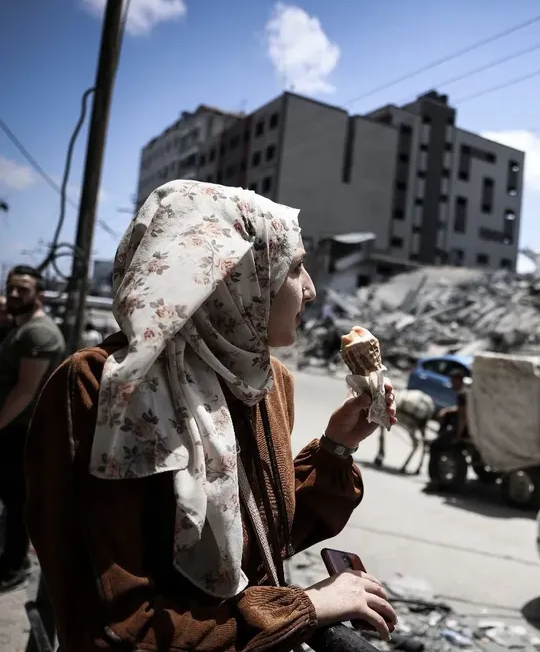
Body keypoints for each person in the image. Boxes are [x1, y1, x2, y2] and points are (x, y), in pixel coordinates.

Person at [24, 181, 399, 651]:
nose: (312, 290)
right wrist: (303, 608)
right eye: (296, 267)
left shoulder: (265, 381)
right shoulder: (103, 386)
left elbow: (260, 542)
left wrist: (337, 447)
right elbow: (115, 627)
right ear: (230, 275)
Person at [0, 264, 65, 591]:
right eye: (11, 287)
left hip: (18, 431)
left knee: (16, 502)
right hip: (10, 429)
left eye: (22, 289)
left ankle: (14, 565)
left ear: (38, 295)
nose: (13, 294)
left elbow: (26, 390)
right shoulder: (20, 327)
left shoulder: (39, 333)